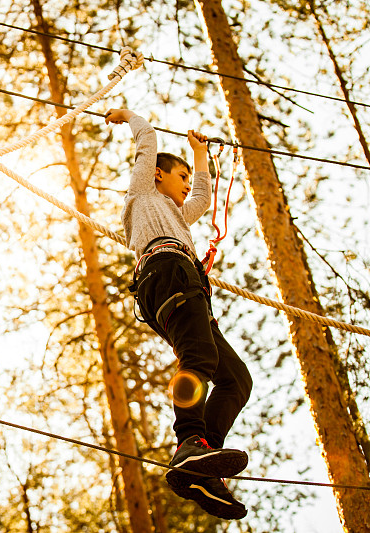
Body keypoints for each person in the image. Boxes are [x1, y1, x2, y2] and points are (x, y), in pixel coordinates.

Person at [105, 108, 253, 520]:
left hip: (184, 284)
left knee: (235, 379)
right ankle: (189, 439)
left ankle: (202, 459)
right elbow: (148, 138)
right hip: (166, 271)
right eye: (181, 177)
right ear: (156, 175)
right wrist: (126, 115)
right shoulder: (145, 195)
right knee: (199, 358)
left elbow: (204, 199)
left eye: (188, 179)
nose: (187, 186)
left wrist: (199, 156)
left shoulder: (179, 215)